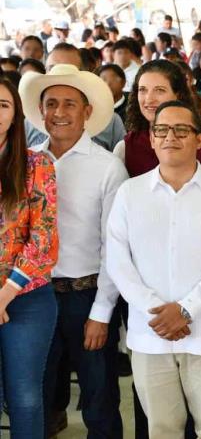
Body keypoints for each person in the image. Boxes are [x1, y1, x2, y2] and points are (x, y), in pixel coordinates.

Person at [107, 100, 201, 437]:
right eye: (162, 130)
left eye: (182, 130)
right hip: (150, 333)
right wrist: (160, 312)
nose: (171, 137)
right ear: (151, 138)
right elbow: (118, 261)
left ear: (200, 139)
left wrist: (186, 310)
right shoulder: (129, 193)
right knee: (162, 430)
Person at [19, 63, 128, 437]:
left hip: (87, 295)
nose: (59, 113)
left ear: (87, 112)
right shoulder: (27, 162)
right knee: (37, 393)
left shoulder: (107, 167)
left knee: (99, 397)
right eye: (51, 104)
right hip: (34, 296)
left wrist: (101, 313)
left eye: (69, 104)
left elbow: (115, 248)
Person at [0, 77, 59, 437]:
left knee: (24, 398)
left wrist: (6, 292)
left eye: (3, 105)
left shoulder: (37, 164)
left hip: (27, 297)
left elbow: (44, 237)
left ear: (15, 114)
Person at [114, 60, 201, 177]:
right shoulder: (125, 149)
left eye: (160, 90)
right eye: (142, 90)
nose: (149, 99)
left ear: (178, 94)